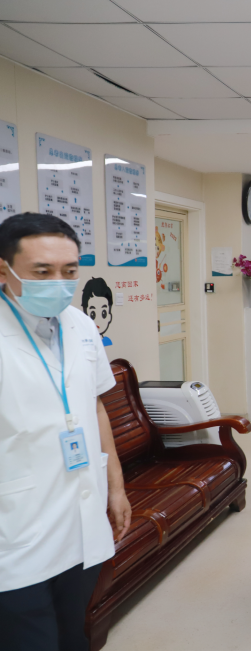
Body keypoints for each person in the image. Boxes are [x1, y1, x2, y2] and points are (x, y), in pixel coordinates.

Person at [0, 214, 131, 651]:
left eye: (69, 271)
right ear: (4, 270)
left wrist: (116, 488)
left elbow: (95, 405)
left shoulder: (80, 324)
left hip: (81, 522)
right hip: (15, 533)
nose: (58, 283)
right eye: (42, 271)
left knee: (74, 635)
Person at [81, 277, 114, 346]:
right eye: (92, 314)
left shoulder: (107, 342)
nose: (98, 320)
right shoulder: (83, 342)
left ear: (109, 316)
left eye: (104, 313)